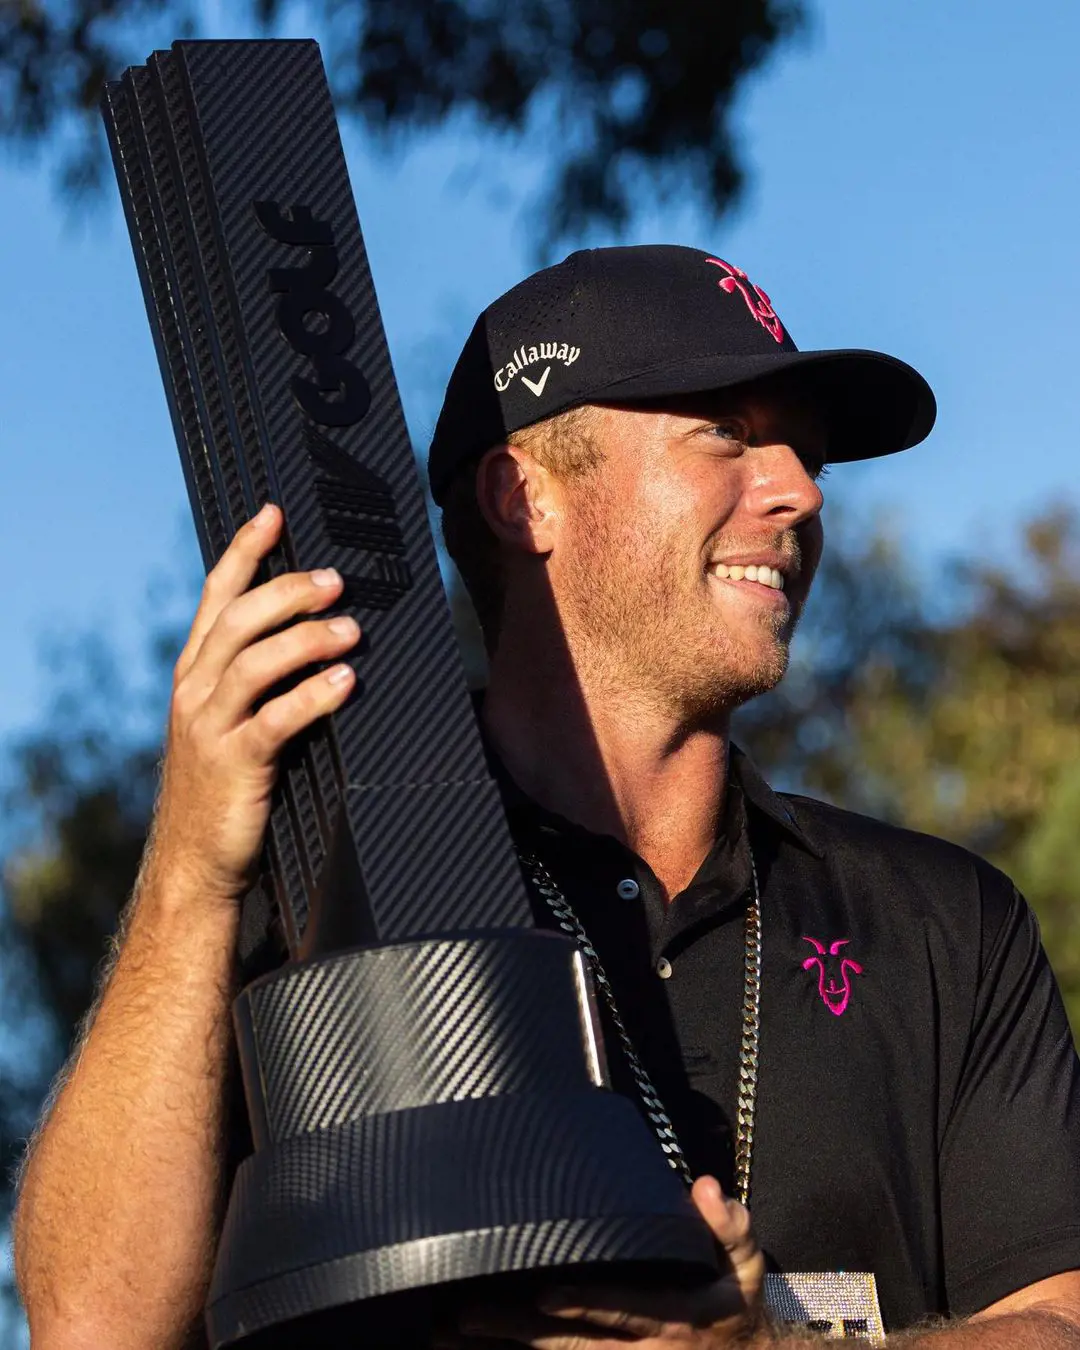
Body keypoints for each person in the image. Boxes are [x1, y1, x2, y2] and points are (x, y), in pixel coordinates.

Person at [12, 246, 1080, 1349]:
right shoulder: (313, 894)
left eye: (804, 454)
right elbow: (93, 1324)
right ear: (525, 498)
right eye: (726, 433)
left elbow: (1060, 1320)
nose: (801, 492)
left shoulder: (943, 922)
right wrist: (191, 872)